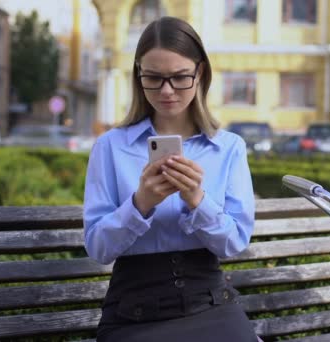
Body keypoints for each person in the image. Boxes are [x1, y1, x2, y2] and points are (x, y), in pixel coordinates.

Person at [83, 16, 258, 342]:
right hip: (134, 310)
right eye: (153, 77)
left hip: (209, 302)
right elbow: (98, 248)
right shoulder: (111, 146)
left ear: (200, 73)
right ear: (138, 75)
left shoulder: (228, 148)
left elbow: (234, 244)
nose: (166, 90)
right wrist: (140, 205)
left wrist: (197, 200)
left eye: (179, 77)